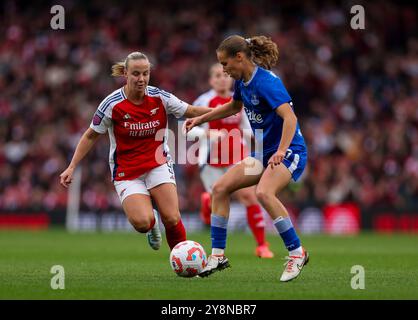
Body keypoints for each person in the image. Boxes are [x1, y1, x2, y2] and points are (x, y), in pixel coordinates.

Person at [184, 35, 309, 282]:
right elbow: (233, 107)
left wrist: (281, 150)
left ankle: (297, 253)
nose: (223, 69)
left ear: (239, 57)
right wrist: (201, 119)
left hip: (289, 150)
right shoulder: (242, 81)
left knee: (263, 193)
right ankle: (218, 256)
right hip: (263, 152)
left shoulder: (266, 83)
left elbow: (290, 118)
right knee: (220, 189)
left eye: (225, 63)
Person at [60, 51, 212, 251]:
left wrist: (229, 109)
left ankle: (182, 261)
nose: (142, 79)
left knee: (173, 217)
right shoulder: (111, 104)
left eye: (146, 74)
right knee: (142, 222)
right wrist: (72, 166)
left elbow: (191, 111)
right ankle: (151, 225)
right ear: (125, 73)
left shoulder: (160, 97)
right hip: (127, 171)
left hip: (158, 163)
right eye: (136, 74)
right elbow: (90, 135)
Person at [189, 63, 274, 258]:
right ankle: (207, 202)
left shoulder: (239, 98)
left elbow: (248, 126)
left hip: (238, 156)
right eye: (217, 76)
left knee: (249, 196)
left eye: (225, 75)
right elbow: (188, 128)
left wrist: (260, 139)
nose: (222, 79)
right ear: (211, 80)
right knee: (219, 198)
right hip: (211, 161)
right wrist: (207, 134)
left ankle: (262, 245)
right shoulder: (205, 100)